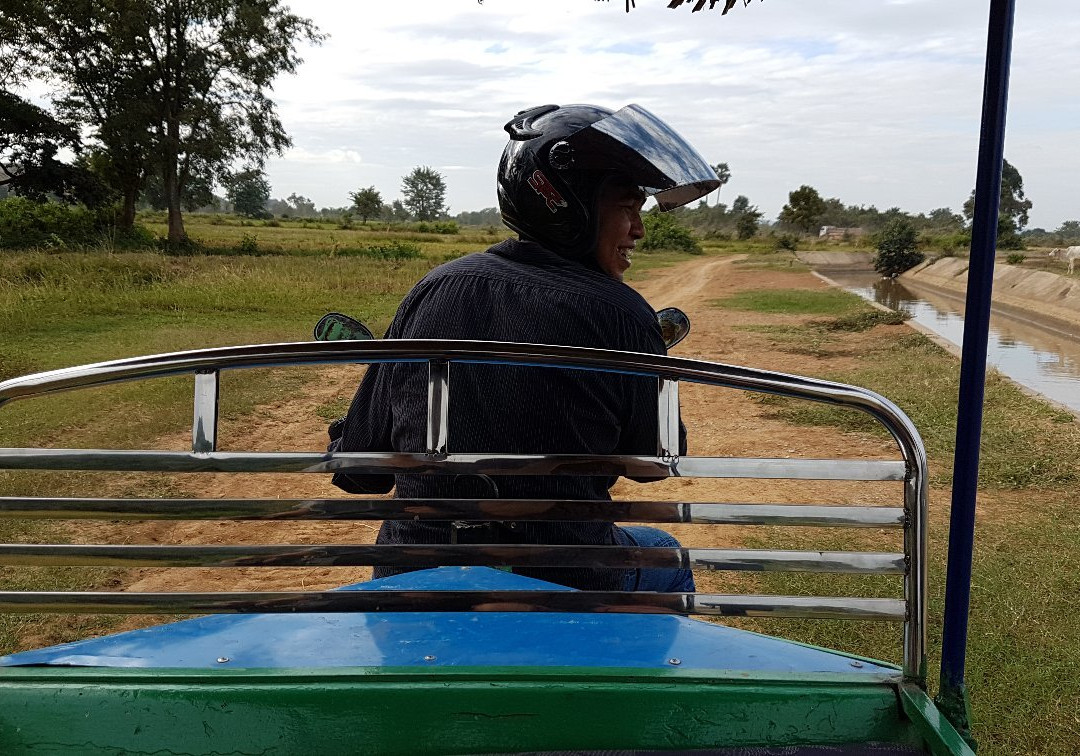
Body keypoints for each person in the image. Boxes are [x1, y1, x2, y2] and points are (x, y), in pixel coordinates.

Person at [330, 103, 719, 591]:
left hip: (416, 574)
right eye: (626, 208)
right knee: (665, 554)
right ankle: (635, 668)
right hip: (567, 576)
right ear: (569, 205)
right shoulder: (623, 314)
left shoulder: (434, 289)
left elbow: (358, 472)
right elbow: (655, 465)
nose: (638, 229)